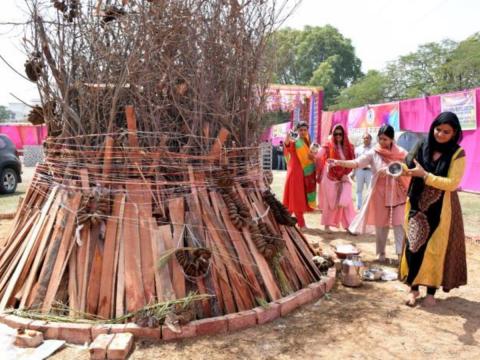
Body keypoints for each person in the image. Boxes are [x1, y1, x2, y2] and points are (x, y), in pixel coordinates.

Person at [400, 112, 467, 307]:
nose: (440, 134)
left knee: (435, 249)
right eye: (438, 129)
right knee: (414, 246)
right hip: (416, 203)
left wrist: (425, 175)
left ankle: (431, 292)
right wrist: (399, 170)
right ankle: (413, 289)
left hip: (441, 207)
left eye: (446, 132)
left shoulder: (457, 153)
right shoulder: (421, 145)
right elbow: (407, 165)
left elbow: (453, 183)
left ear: (454, 133)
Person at [328, 125, 409, 261]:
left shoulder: (402, 153)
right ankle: (380, 254)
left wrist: (393, 168)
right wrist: (338, 162)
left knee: (399, 224)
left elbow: (408, 169)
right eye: (380, 139)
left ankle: (401, 256)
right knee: (381, 225)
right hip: (379, 194)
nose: (382, 142)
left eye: (385, 139)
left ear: (392, 139)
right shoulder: (373, 152)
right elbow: (356, 163)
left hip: (398, 193)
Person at [316, 124, 356, 233]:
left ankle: (350, 225)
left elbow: (352, 162)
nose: (338, 136)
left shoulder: (349, 147)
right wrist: (316, 150)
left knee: (346, 201)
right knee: (330, 202)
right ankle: (327, 225)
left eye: (340, 134)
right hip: (330, 177)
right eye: (336, 134)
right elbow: (319, 155)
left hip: (343, 177)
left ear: (344, 135)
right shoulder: (328, 145)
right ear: (333, 134)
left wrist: (346, 174)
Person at [283, 121, 316, 230]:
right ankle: (301, 224)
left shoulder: (307, 141)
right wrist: (288, 136)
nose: (302, 132)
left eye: (305, 130)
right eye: (300, 130)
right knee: (296, 197)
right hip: (295, 173)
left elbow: (309, 157)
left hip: (304, 173)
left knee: (296, 197)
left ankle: (284, 219)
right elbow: (287, 145)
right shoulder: (295, 140)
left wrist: (313, 156)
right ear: (296, 130)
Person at [354, 133, 373, 210]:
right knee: (359, 189)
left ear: (371, 139)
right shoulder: (357, 149)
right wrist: (353, 172)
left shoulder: (374, 149)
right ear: (362, 139)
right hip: (360, 171)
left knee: (370, 189)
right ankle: (359, 206)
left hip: (369, 172)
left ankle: (369, 206)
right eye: (364, 138)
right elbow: (355, 161)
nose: (366, 139)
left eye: (368, 138)